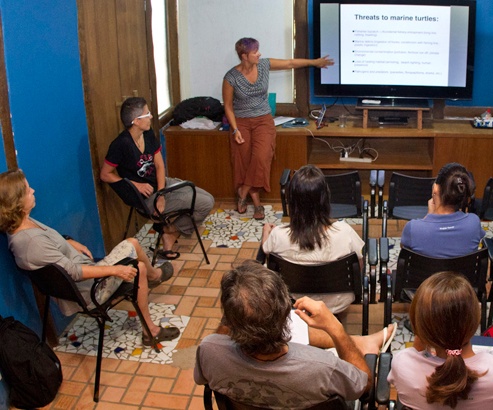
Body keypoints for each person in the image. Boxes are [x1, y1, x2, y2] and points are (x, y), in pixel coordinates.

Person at [0, 169, 180, 346]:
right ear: (17, 202)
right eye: (27, 189)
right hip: (89, 291)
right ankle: (151, 330)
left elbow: (50, 248)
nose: (33, 191)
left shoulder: (21, 225)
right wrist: (115, 270)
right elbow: (74, 272)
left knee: (133, 248)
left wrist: (69, 242)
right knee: (137, 263)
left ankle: (154, 276)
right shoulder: (31, 243)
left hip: (82, 281)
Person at [194, 260, 396, 409]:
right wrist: (335, 328)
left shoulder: (209, 349)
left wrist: (231, 315)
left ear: (228, 319)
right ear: (286, 316)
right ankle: (362, 343)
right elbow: (363, 385)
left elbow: (202, 378)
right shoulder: (323, 367)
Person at [223, 37, 333, 220]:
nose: (260, 54)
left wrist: (315, 62)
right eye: (255, 52)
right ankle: (256, 203)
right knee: (243, 162)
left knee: (261, 157)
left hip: (263, 120)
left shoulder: (264, 65)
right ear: (244, 56)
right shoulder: (231, 77)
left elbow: (290, 62)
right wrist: (235, 129)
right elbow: (227, 106)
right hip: (241, 122)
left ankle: (243, 191)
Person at [100, 97, 214, 260]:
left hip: (160, 186)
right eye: (147, 114)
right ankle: (168, 231)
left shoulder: (147, 135)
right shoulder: (120, 144)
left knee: (208, 199)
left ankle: (169, 230)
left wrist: (161, 193)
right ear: (136, 121)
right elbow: (105, 174)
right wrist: (136, 185)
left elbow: (159, 166)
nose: (151, 117)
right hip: (144, 197)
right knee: (201, 203)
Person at [388, 271, 493, 409]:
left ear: (419, 326)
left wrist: (422, 333)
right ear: (475, 319)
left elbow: (413, 355)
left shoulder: (403, 365)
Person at [261, 164, 364, 314]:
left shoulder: (277, 234)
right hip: (337, 302)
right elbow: (359, 266)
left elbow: (266, 252)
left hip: (294, 300)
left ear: (292, 201)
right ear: (325, 199)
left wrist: (266, 233)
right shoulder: (345, 232)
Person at [400, 162, 485, 258]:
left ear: (435, 189)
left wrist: (428, 216)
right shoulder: (473, 222)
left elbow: (405, 251)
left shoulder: (413, 228)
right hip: (461, 274)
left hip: (429, 274)